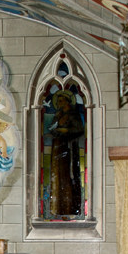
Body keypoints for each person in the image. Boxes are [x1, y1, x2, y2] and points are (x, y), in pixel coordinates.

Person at [49, 89, 84, 217]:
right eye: (57, 101)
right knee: (57, 176)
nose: (59, 103)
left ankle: (70, 208)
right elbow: (52, 129)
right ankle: (57, 209)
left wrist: (65, 130)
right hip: (58, 147)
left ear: (67, 101)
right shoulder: (58, 115)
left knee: (68, 176)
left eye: (61, 101)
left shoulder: (72, 114)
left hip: (69, 148)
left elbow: (79, 129)